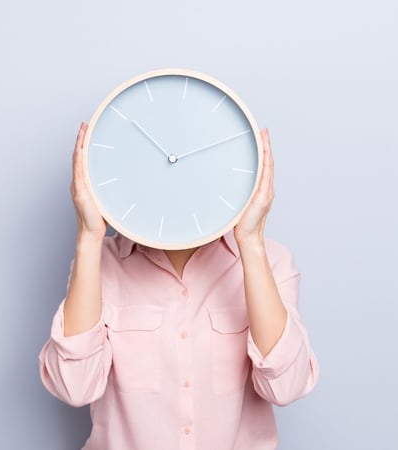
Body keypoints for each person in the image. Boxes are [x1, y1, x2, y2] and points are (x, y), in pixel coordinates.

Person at [39, 122, 319, 450]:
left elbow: (286, 387)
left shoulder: (270, 261)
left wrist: (251, 242)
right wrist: (88, 236)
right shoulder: (100, 264)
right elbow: (76, 387)